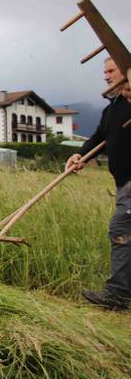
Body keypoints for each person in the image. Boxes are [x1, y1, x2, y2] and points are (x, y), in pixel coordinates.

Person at [65, 56, 131, 311]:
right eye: (104, 71)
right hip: (123, 183)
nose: (105, 76)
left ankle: (119, 294)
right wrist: (80, 154)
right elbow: (97, 138)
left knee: (121, 228)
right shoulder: (111, 109)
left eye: (111, 70)